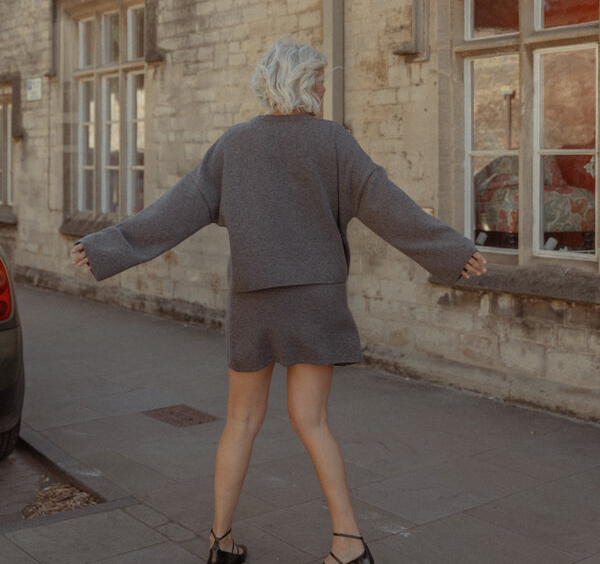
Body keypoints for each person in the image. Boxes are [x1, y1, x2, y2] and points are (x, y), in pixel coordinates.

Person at [71, 40, 486, 564]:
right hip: (316, 300)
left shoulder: (234, 145)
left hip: (254, 301)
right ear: (305, 84)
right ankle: (349, 544)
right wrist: (453, 253)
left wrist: (104, 247)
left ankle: (221, 544)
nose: (322, 88)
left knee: (240, 421)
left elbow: (176, 210)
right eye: (318, 79)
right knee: (312, 422)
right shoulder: (334, 142)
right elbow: (387, 204)